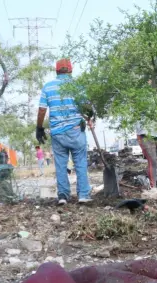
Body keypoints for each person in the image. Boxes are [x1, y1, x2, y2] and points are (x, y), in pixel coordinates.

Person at [36, 58, 91, 205]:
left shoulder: (48, 87)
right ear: (71, 70)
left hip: (57, 133)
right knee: (80, 163)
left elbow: (42, 110)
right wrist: (88, 117)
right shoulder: (77, 85)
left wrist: (39, 127)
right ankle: (83, 195)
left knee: (61, 165)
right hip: (76, 130)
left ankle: (63, 196)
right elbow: (86, 106)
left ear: (56, 71)